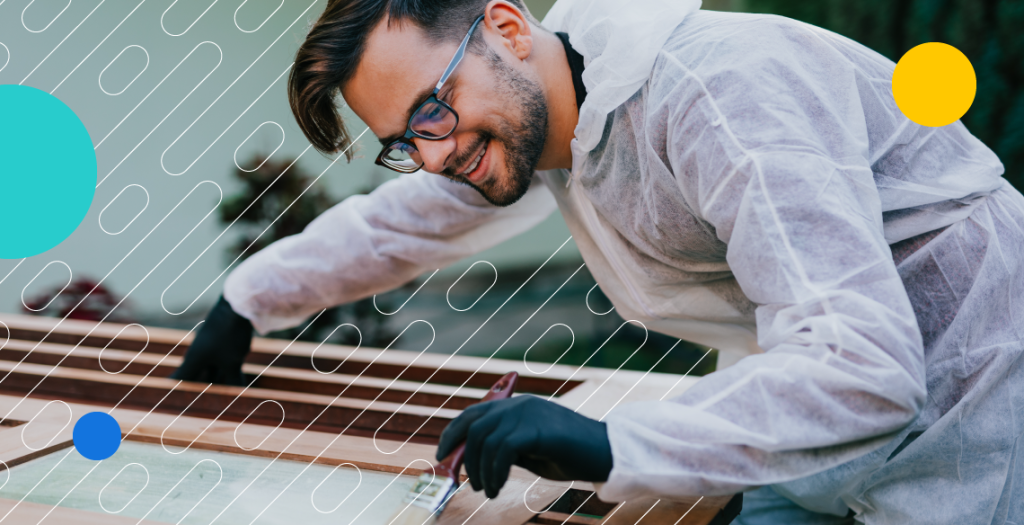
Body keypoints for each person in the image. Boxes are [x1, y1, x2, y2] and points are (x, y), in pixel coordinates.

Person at [171, 0, 1024, 522]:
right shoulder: (541, 109)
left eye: (432, 111)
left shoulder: (718, 97)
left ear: (505, 26)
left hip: (975, 403)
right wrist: (247, 300)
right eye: (404, 141)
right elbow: (400, 224)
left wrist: (611, 440)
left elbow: (864, 365)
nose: (430, 155)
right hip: (814, 424)